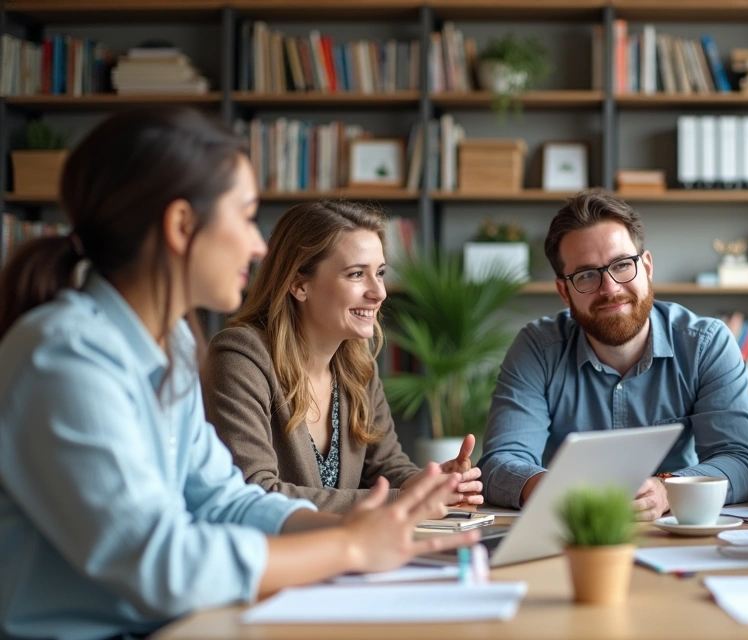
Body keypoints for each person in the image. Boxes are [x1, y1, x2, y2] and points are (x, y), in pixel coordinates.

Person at [0, 108, 475, 640]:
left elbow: (224, 500)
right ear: (182, 225)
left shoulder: (172, 346)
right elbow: (159, 564)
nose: (258, 246)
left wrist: (369, 529)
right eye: (246, 217)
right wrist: (348, 546)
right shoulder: (65, 357)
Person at [478, 190, 748, 519]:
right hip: (575, 529)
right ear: (564, 292)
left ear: (647, 267)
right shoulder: (537, 349)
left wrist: (667, 488)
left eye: (622, 265)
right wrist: (557, 488)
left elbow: (740, 461)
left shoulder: (706, 344)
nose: (610, 288)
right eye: (586, 275)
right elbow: (500, 463)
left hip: (674, 529)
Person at [203, 201, 482, 514]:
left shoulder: (358, 368)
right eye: (356, 274)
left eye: (380, 273)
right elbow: (256, 493)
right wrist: (407, 498)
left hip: (346, 543)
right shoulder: (240, 359)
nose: (379, 292)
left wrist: (430, 483)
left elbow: (386, 468)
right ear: (299, 285)